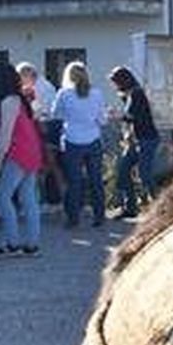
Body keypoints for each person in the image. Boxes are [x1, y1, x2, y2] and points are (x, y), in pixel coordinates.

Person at [0, 62, 43, 256]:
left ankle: (12, 243)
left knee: (2, 198)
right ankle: (32, 244)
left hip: (18, 153)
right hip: (32, 151)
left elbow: (5, 137)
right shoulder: (21, 99)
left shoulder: (8, 102)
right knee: (28, 198)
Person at [53, 61, 108, 228]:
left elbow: (56, 114)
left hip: (72, 140)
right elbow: (102, 119)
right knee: (96, 180)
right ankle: (99, 216)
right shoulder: (97, 93)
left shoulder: (64, 93)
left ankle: (73, 218)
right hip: (93, 139)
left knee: (74, 181)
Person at [109, 66, 160, 218]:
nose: (114, 85)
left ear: (123, 81)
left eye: (115, 82)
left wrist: (115, 115)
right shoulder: (131, 94)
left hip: (146, 139)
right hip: (136, 140)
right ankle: (130, 207)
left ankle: (159, 205)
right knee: (123, 171)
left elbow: (131, 116)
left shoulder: (136, 94)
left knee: (145, 174)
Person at [18, 61, 63, 207]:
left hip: (46, 128)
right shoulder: (43, 85)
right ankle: (51, 200)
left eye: (21, 77)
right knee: (49, 167)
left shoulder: (40, 88)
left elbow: (41, 111)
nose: (20, 81)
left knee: (47, 167)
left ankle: (50, 200)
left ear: (28, 74)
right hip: (47, 127)